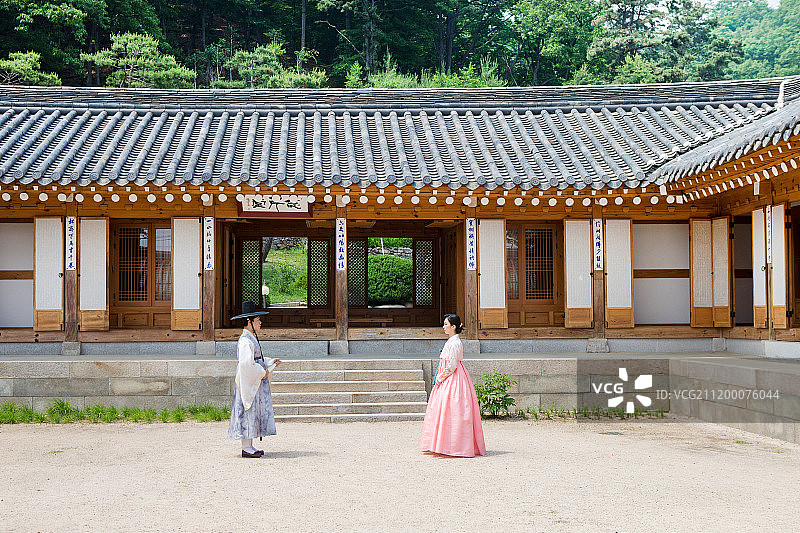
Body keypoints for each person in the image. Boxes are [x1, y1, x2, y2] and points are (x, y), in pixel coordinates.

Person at [420, 313, 486, 457]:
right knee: (444, 410)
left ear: (453, 326)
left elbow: (451, 365)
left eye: (446, 324)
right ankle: (443, 444)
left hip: (453, 378)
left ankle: (455, 446)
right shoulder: (451, 341)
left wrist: (440, 377)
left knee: (453, 410)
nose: (444, 327)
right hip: (449, 377)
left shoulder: (455, 342)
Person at [227, 301, 281, 458]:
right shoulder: (245, 341)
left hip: (253, 378)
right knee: (247, 410)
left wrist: (269, 363)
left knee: (251, 411)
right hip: (248, 380)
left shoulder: (250, 338)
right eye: (258, 320)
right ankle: (246, 447)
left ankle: (249, 445)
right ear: (249, 322)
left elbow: (255, 360)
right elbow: (246, 364)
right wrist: (261, 372)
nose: (260, 322)